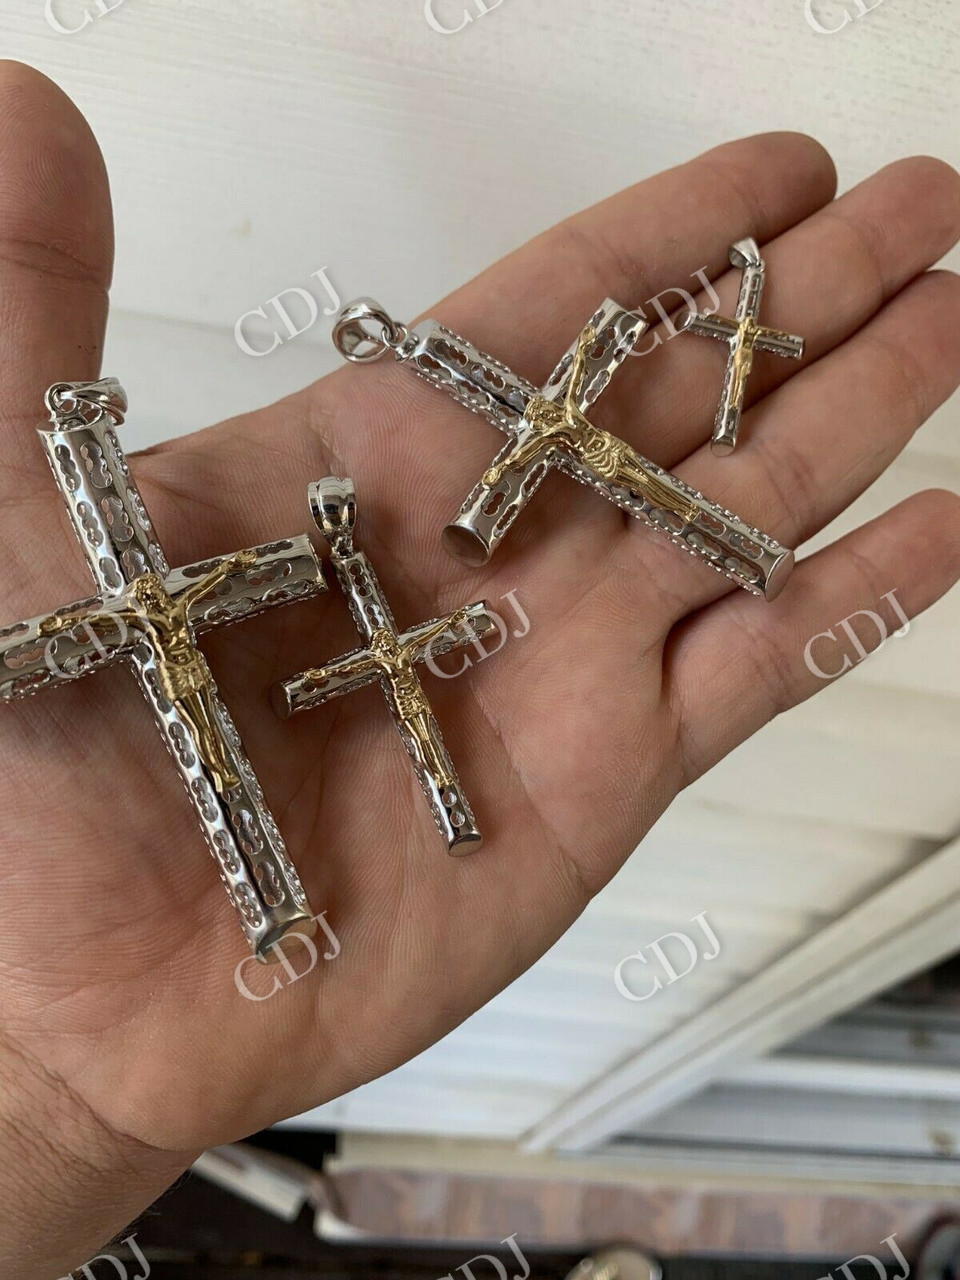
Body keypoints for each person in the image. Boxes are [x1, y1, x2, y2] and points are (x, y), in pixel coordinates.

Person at [0, 60, 958, 1280]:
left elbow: (418, 504)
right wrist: (39, 1092)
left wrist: (45, 1101)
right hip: (282, 633)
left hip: (380, 568)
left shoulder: (308, 556)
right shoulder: (168, 599)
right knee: (255, 637)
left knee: (581, 467)